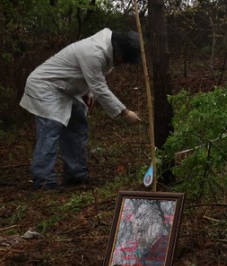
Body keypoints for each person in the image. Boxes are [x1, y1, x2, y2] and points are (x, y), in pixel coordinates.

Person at [20, 28, 144, 191]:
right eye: (124, 58)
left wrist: (88, 92)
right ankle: (44, 181)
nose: (123, 62)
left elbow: (91, 77)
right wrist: (124, 112)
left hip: (66, 89)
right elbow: (100, 86)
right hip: (46, 86)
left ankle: (76, 175)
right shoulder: (93, 52)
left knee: (78, 126)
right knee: (50, 130)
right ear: (118, 50)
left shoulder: (106, 52)